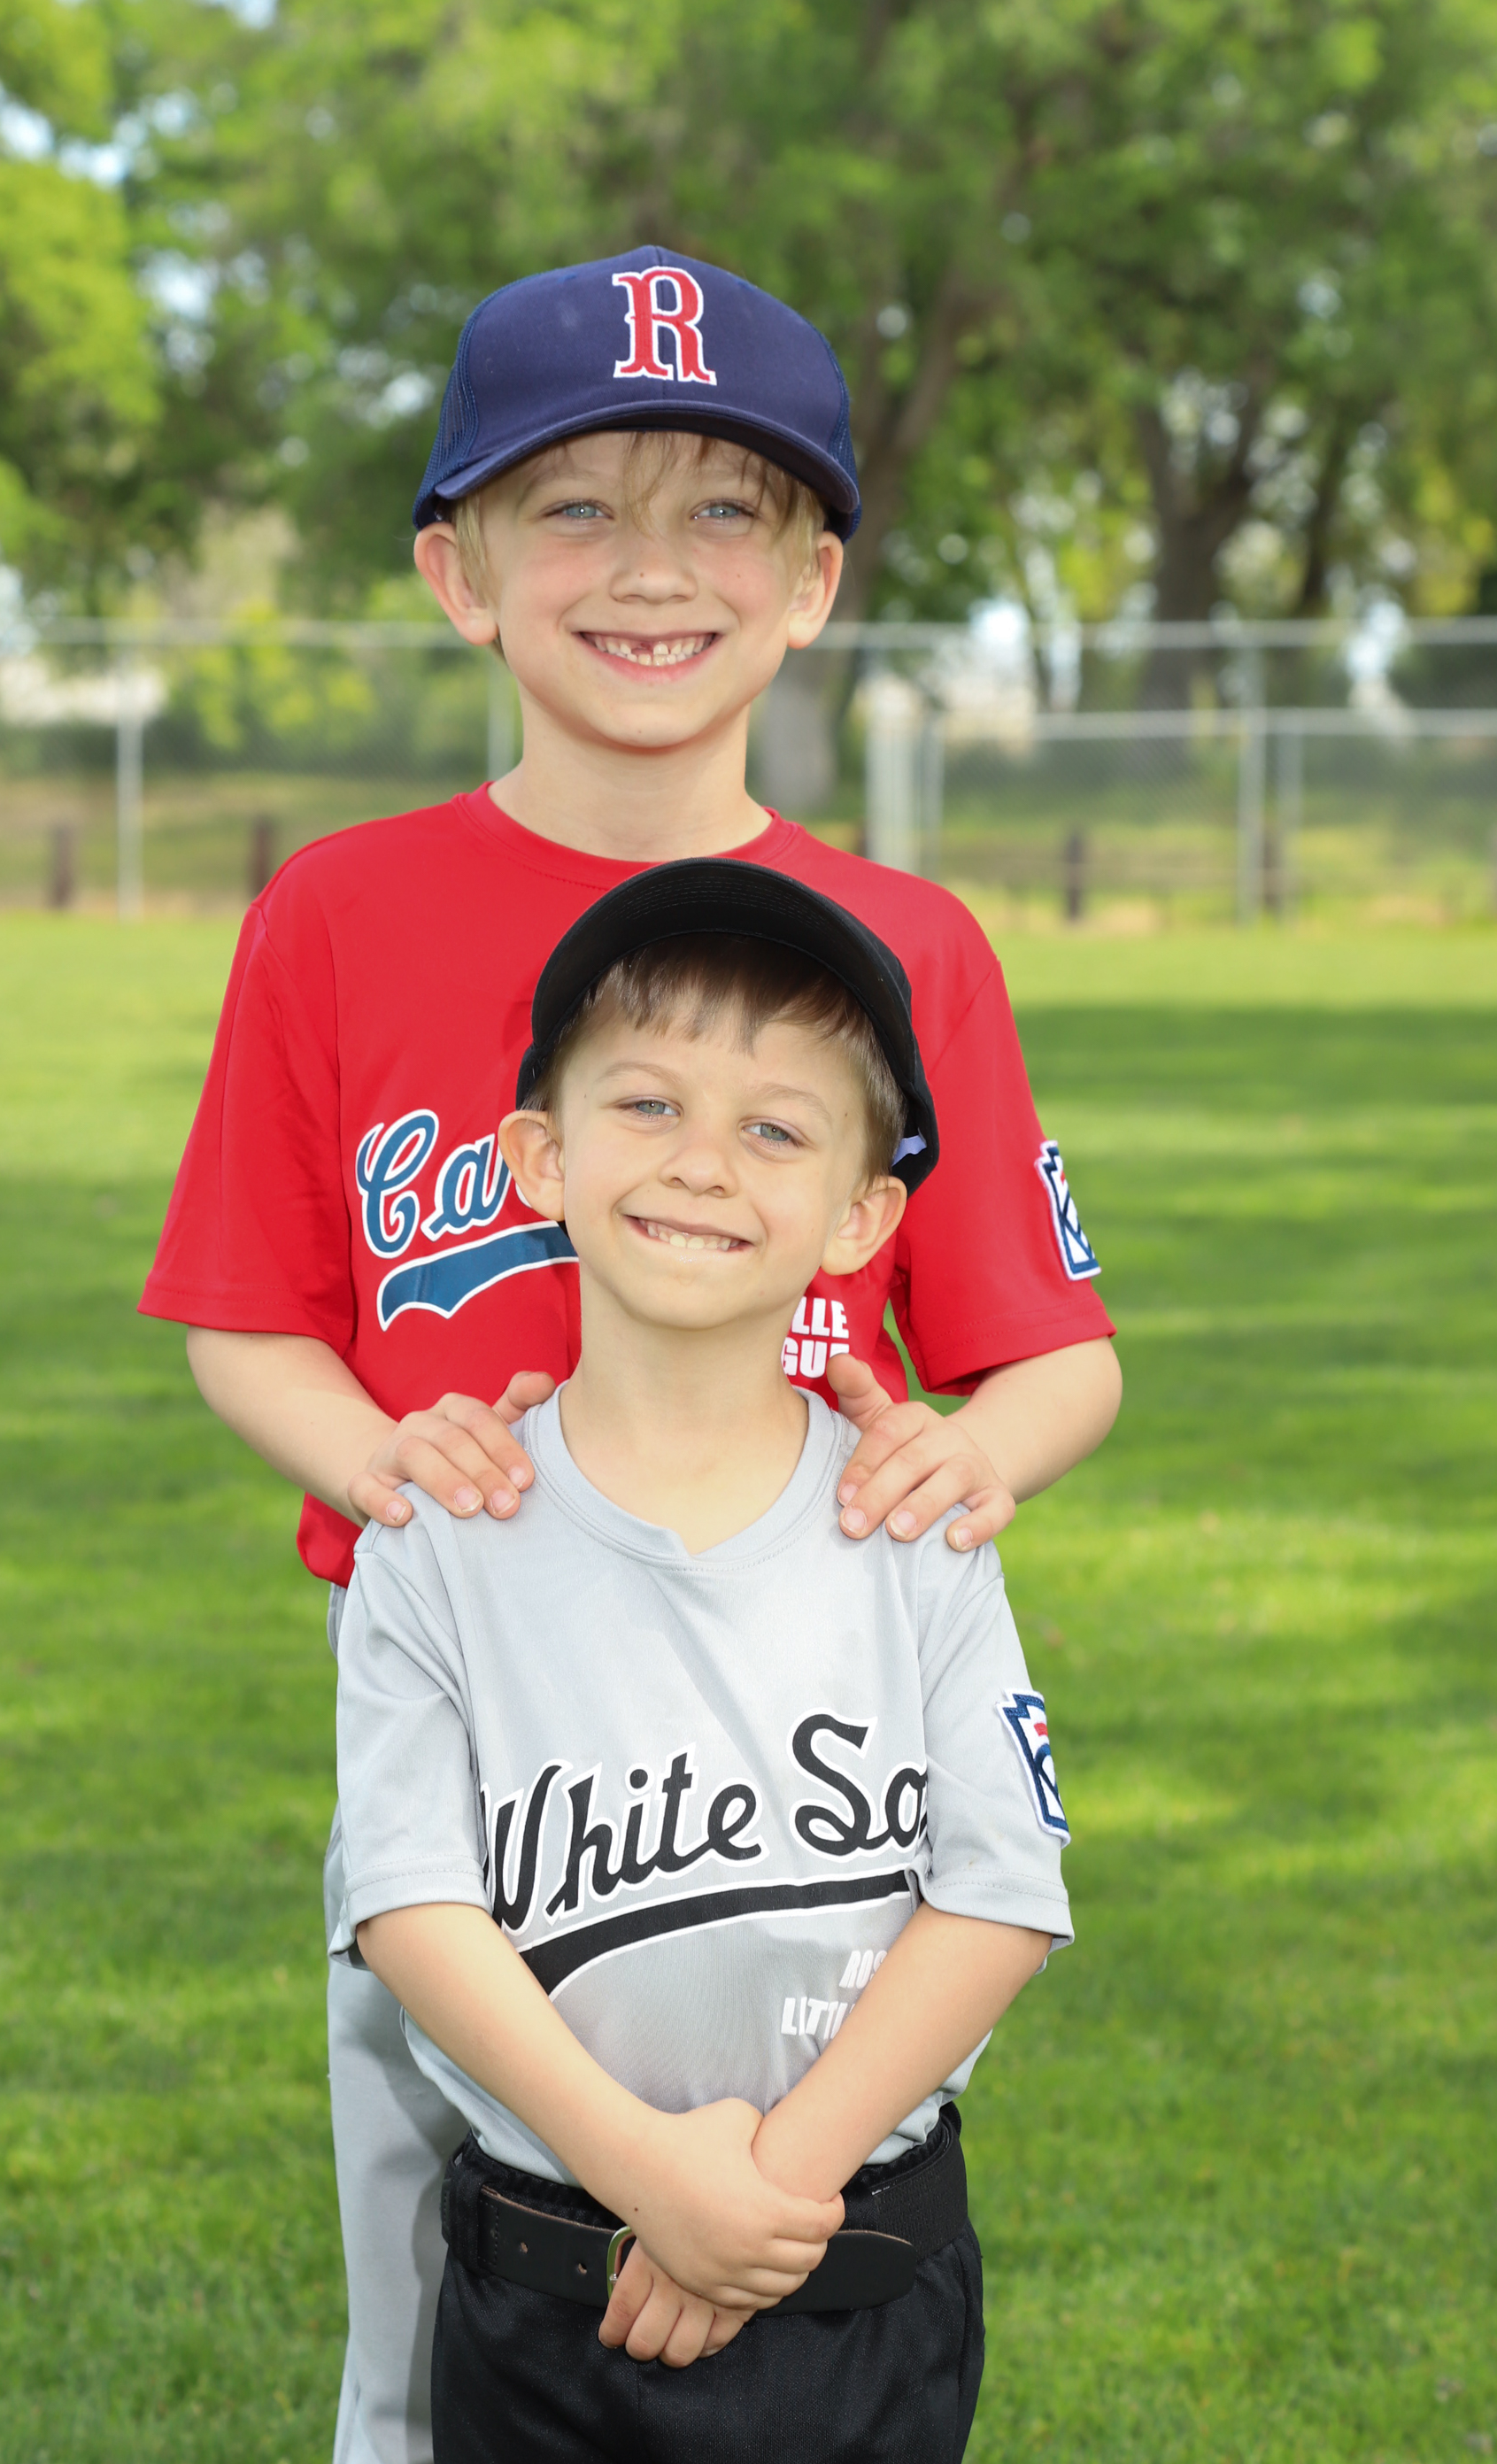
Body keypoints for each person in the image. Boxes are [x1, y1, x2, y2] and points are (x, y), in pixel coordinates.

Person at [139, 244, 1118, 2464]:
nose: (651, 566)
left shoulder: (911, 942)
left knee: (815, 2213)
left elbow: (1052, 1357)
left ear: (812, 583)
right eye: (573, 506)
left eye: (723, 511)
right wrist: (398, 1466)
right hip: (467, 1681)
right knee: (428, 2301)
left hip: (805, 1695)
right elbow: (250, 1315)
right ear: (458, 573)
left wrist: (956, 1462)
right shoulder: (337, 910)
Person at [334, 861, 1076, 2464]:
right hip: (547, 2285)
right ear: (541, 1157)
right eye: (649, 1104)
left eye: (778, 1130)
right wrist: (649, 2178)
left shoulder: (911, 1520)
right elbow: (409, 1906)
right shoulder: (440, 1532)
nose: (702, 1164)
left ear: (862, 1217)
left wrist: (767, 2188)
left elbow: (1001, 1894)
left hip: (857, 2276)